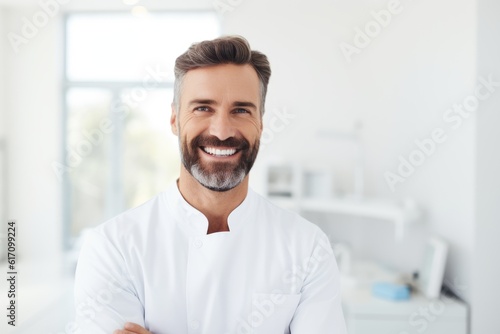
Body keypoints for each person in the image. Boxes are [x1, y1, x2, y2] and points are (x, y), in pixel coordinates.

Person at [74, 35, 347, 334]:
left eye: (241, 110)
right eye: (203, 108)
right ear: (175, 119)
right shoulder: (113, 248)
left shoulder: (307, 248)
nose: (221, 131)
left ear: (261, 123)